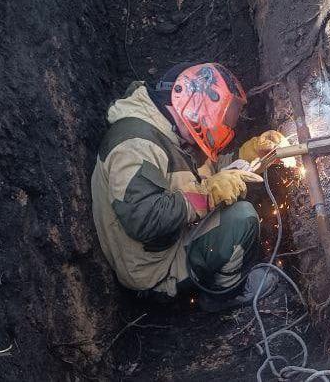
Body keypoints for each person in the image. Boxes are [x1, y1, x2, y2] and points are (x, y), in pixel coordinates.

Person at [91, 62, 286, 311]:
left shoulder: (169, 128)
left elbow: (206, 173)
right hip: (157, 270)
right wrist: (208, 196)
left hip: (171, 240)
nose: (221, 129)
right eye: (219, 119)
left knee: (233, 205)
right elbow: (145, 219)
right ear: (193, 103)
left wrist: (250, 154)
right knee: (242, 217)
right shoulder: (134, 146)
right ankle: (224, 294)